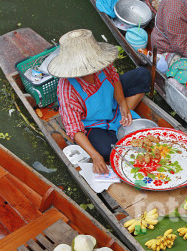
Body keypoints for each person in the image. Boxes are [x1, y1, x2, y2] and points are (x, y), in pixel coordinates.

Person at [49, 29, 151, 174]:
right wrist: (95, 156)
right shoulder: (67, 88)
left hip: (112, 105)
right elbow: (74, 128)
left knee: (142, 74)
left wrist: (123, 105)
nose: (91, 71)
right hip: (93, 123)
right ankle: (116, 125)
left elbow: (115, 80)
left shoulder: (101, 63)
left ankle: (122, 115)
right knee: (107, 151)